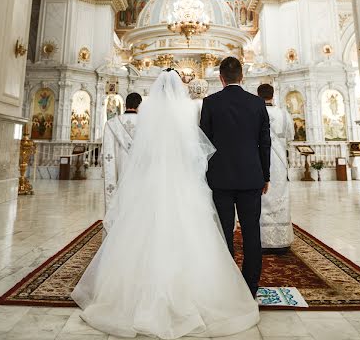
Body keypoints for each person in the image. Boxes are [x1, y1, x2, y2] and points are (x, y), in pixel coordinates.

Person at [72, 70, 259, 338]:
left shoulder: (148, 114)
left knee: (144, 232)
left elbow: (143, 152)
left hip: (152, 182)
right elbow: (196, 150)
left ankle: (134, 297)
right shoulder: (187, 113)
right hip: (182, 182)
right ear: (180, 91)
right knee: (191, 233)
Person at [200, 57, 271, 298]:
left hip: (219, 178)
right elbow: (265, 143)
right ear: (242, 77)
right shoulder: (257, 104)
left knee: (224, 231)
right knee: (251, 232)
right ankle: (250, 286)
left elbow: (204, 144)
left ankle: (227, 283)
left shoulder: (210, 103)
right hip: (252, 177)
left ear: (221, 78)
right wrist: (266, 175)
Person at [257, 84, 294, 252]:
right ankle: (281, 242)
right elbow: (290, 135)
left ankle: (264, 241)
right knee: (280, 197)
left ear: (258, 95)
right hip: (279, 162)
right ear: (273, 95)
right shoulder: (284, 114)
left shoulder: (256, 113)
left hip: (260, 160)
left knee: (263, 197)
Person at [102, 92, 142, 209]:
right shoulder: (145, 123)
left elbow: (107, 152)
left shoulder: (111, 124)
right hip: (139, 166)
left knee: (122, 194)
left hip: (120, 166)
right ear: (139, 105)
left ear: (125, 104)